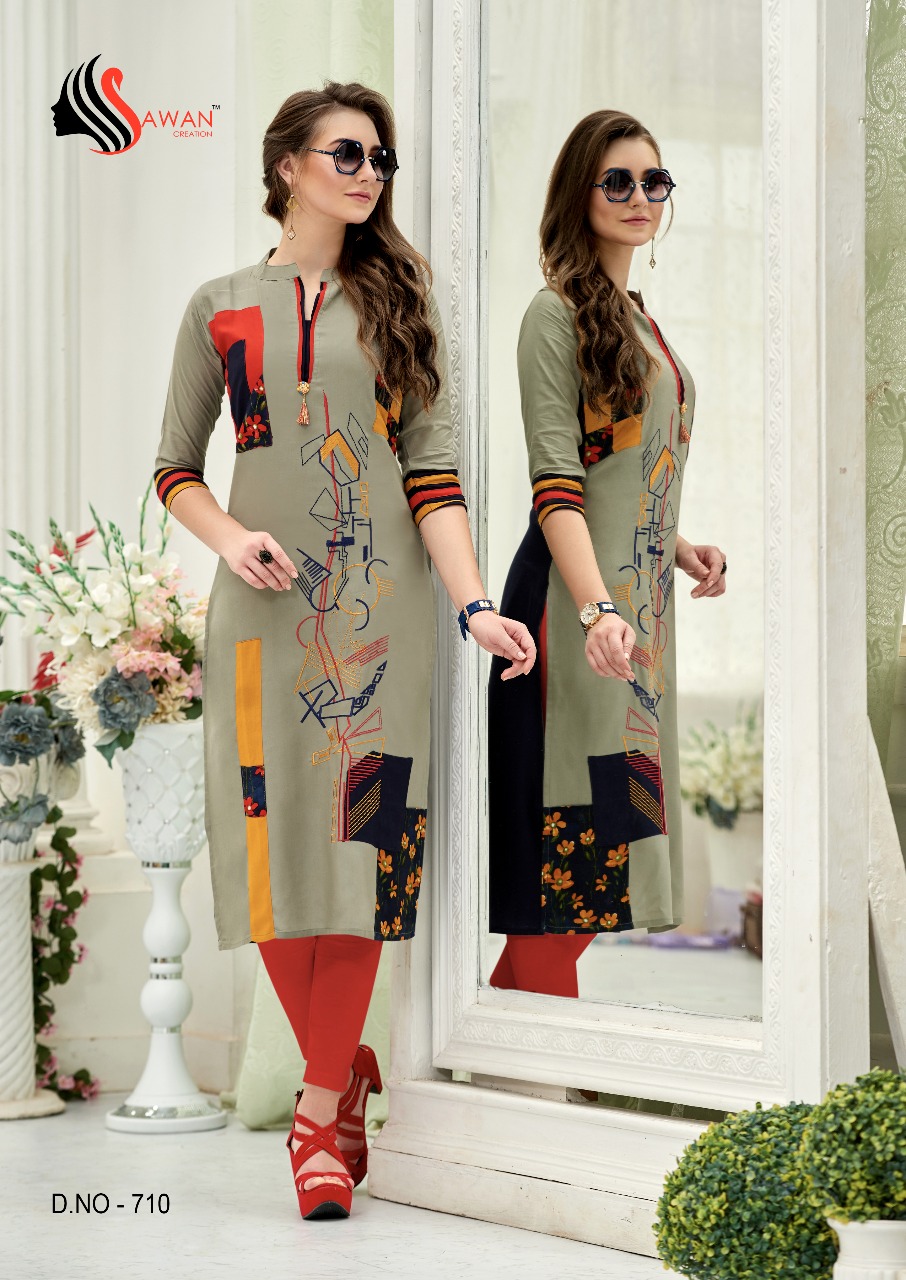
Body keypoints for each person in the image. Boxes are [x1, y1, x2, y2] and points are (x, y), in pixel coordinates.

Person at [153, 81, 535, 1221]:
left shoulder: (401, 306)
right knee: (273, 864)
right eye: (347, 154)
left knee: (367, 858)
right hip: (260, 621)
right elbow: (174, 467)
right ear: (288, 166)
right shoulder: (221, 306)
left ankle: (318, 1115)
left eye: (380, 159)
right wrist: (233, 537)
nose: (369, 174)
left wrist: (472, 604)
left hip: (382, 623)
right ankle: (344, 1069)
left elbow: (434, 477)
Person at [487, 109, 727, 1000]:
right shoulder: (552, 316)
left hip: (634, 624)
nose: (639, 196)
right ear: (578, 193)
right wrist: (595, 611)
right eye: (617, 180)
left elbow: (622, 474)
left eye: (653, 181)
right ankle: (516, 1067)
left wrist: (679, 547)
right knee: (572, 873)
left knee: (599, 874)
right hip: (571, 612)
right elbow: (557, 486)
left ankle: (498, 1063)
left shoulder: (639, 320)